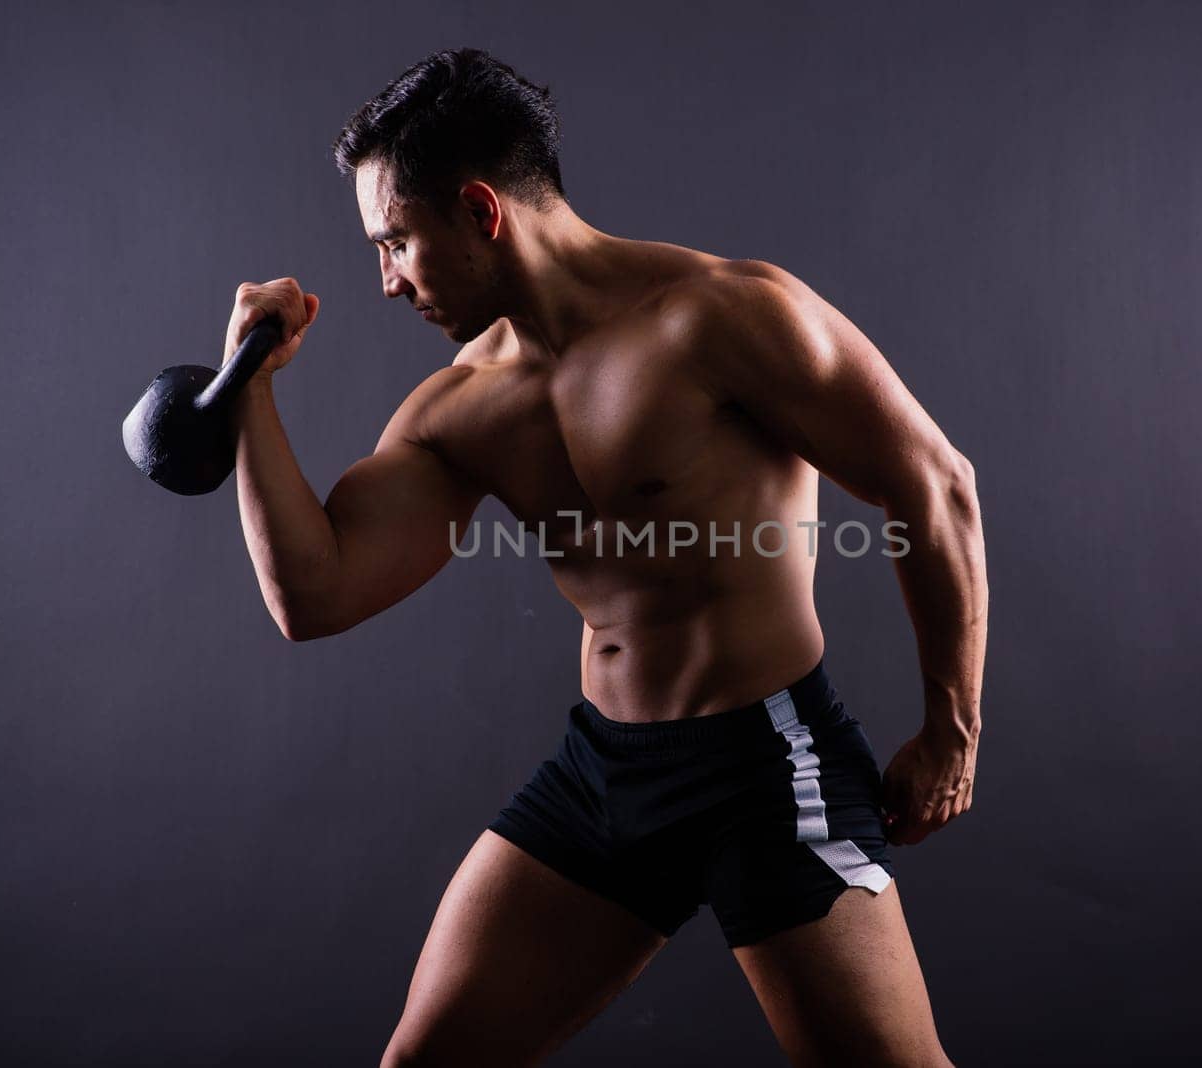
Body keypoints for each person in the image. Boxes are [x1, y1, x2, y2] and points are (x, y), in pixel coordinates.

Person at [225, 47, 987, 1068]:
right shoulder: (462, 406)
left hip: (766, 769)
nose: (386, 280)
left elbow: (933, 484)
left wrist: (953, 729)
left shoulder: (720, 317)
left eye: (397, 240)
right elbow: (312, 595)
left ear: (482, 211)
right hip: (609, 771)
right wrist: (247, 392)